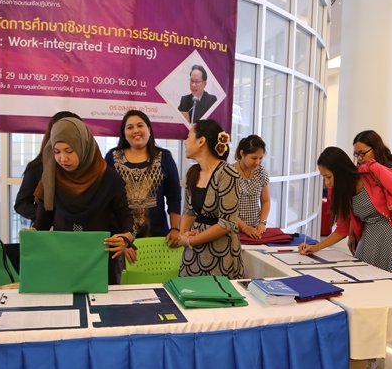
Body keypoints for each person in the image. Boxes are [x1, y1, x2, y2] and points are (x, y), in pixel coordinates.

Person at [33, 117, 135, 285]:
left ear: (84, 146)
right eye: (57, 152)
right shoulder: (50, 178)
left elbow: (126, 217)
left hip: (99, 260)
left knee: (100, 301)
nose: (63, 159)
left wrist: (126, 237)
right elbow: (42, 222)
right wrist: (32, 232)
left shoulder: (109, 178)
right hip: (62, 259)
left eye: (69, 151)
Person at [299, 146, 392, 274]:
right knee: (361, 276)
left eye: (328, 177)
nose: (326, 183)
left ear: (341, 171)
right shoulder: (340, 191)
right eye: (323, 177)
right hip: (368, 238)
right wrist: (315, 248)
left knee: (390, 281)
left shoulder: (373, 171)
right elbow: (342, 230)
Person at [178, 119, 244, 278]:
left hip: (220, 252)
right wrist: (183, 235)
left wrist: (190, 241)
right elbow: (189, 211)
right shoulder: (193, 172)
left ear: (201, 141)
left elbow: (226, 224)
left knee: (216, 292)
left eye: (188, 136)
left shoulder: (227, 173)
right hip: (193, 252)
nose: (185, 141)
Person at [106, 110, 181, 246]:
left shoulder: (164, 157)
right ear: (124, 133)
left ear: (149, 129)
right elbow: (107, 197)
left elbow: (174, 197)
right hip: (121, 238)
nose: (136, 130)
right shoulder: (112, 157)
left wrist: (175, 228)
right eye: (130, 127)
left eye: (140, 125)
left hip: (157, 237)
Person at [14, 110, 81, 220]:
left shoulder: (91, 166)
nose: (63, 159)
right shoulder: (37, 167)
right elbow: (21, 204)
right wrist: (49, 217)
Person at [350, 129, 392, 254]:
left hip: (391, 233)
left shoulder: (390, 169)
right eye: (356, 154)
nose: (359, 158)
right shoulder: (362, 171)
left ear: (375, 148)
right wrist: (352, 232)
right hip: (369, 233)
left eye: (363, 153)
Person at [233, 134, 271, 239]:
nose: (257, 162)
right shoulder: (230, 173)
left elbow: (266, 201)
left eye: (261, 158)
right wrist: (244, 227)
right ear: (242, 154)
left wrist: (262, 222)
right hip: (233, 229)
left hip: (255, 229)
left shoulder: (261, 172)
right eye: (254, 158)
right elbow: (227, 209)